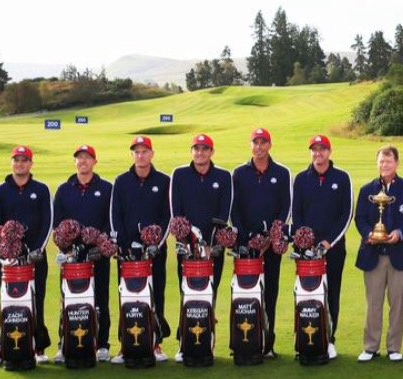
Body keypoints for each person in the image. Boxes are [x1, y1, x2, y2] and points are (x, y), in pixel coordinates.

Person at [354, 146, 403, 363]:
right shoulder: (367, 190)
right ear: (377, 163)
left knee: (398, 303)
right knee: (373, 303)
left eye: (389, 161)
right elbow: (360, 218)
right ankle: (371, 347)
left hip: (401, 254)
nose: (384, 165)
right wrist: (369, 234)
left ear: (397, 163)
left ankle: (394, 347)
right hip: (373, 254)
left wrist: (401, 233)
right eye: (381, 161)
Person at [0, 145, 53, 367]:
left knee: (37, 300)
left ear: (31, 164)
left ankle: (38, 346)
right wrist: (3, 250)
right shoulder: (0, 190)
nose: (20, 164)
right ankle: (2, 347)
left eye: (24, 160)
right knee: (6, 303)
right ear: (11, 163)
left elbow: (47, 222)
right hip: (8, 261)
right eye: (16, 160)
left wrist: (37, 250)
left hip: (35, 258)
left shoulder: (41, 190)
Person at [168, 133, 233, 362]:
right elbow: (176, 211)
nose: (200, 153)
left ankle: (208, 341)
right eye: (196, 148)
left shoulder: (223, 176)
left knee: (210, 294)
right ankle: (183, 343)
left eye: (205, 149)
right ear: (192, 151)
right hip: (187, 246)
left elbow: (224, 212)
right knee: (186, 293)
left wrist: (213, 242)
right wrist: (187, 239)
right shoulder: (179, 174)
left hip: (214, 248)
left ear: (212, 152)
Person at [231, 128, 293, 359]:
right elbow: (234, 210)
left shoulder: (282, 173)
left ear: (269, 145)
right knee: (246, 293)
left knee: (270, 292)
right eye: (255, 143)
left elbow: (286, 207)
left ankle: (268, 343)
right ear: (251, 145)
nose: (259, 147)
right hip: (246, 246)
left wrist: (272, 236)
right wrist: (247, 237)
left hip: (271, 246)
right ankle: (246, 341)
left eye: (263, 142)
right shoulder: (239, 173)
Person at [291, 134, 353, 360]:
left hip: (333, 249)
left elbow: (346, 214)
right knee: (306, 294)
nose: (318, 153)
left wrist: (328, 241)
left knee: (331, 293)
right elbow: (296, 213)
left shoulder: (342, 178)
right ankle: (304, 338)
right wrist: (304, 240)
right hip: (306, 251)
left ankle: (329, 339)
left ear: (329, 151)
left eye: (322, 149)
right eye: (314, 149)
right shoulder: (301, 178)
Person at [110, 135, 171, 363]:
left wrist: (157, 244)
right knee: (126, 296)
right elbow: (115, 215)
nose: (141, 155)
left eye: (145, 151)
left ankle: (156, 343)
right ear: (132, 155)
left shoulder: (164, 181)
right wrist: (122, 246)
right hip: (127, 253)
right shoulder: (121, 181)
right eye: (137, 152)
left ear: (152, 154)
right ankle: (125, 345)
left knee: (157, 294)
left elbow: (167, 216)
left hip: (155, 251)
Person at [51, 144, 114, 364]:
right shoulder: (64, 189)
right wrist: (66, 247)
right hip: (71, 257)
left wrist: (101, 243)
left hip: (98, 254)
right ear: (75, 161)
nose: (83, 161)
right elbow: (57, 223)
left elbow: (111, 220)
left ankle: (102, 344)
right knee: (68, 299)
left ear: (95, 162)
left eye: (88, 157)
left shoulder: (106, 188)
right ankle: (64, 344)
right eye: (79, 157)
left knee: (101, 299)